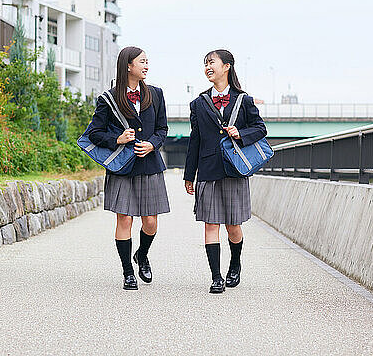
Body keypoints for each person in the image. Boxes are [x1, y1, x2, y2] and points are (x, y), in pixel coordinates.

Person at [184, 49, 267, 293]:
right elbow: (195, 140)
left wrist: (241, 133)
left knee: (233, 225)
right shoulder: (198, 103)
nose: (208, 67)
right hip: (208, 170)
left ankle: (235, 263)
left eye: (212, 63)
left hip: (234, 169)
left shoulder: (244, 100)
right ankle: (216, 277)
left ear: (227, 66)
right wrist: (190, 175)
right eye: (205, 64)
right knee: (210, 224)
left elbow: (260, 129)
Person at [87, 46, 170, 290]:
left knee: (151, 222)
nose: (146, 65)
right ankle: (127, 273)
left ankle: (142, 254)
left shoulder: (156, 94)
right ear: (128, 66)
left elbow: (162, 130)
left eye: (147, 61)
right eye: (142, 61)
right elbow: (94, 133)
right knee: (124, 220)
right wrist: (118, 140)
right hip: (122, 168)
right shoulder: (108, 99)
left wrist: (152, 145)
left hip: (149, 165)